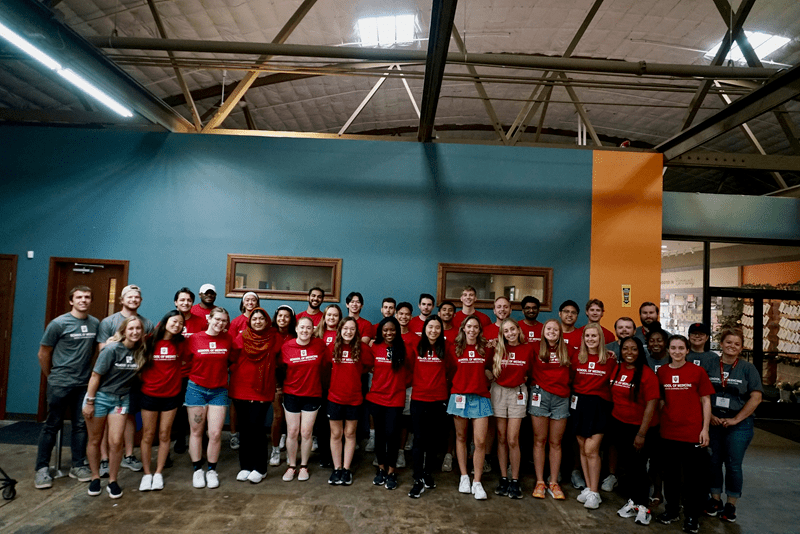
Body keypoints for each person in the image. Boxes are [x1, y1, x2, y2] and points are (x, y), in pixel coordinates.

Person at [35, 286, 98, 489]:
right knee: (52, 425)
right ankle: (42, 468)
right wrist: (51, 376)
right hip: (60, 383)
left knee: (80, 426)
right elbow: (43, 353)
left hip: (83, 385)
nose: (83, 300)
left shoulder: (95, 323)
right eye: (79, 297)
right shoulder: (58, 324)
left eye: (87, 297)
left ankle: (77, 465)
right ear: (71, 301)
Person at [703, 327, 763, 523]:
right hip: (712, 421)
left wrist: (737, 419)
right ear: (721, 344)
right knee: (713, 462)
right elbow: (699, 392)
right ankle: (715, 500)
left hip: (739, 424)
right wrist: (709, 415)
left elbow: (756, 397)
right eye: (728, 342)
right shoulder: (709, 364)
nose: (732, 346)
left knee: (733, 465)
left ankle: (731, 504)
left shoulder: (748, 368)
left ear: (741, 347)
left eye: (737, 344)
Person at [656, 335, 713, 534]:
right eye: (673, 348)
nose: (677, 352)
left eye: (681, 348)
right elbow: (660, 400)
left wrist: (705, 429)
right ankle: (671, 510)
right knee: (670, 476)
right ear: (668, 350)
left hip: (692, 433)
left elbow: (706, 401)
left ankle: (691, 516)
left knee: (692, 479)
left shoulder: (697, 372)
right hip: (668, 432)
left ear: (687, 350)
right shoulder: (662, 372)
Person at [83, 316, 145, 498]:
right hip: (100, 397)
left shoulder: (140, 351)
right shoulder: (111, 349)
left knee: (116, 442)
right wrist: (90, 401)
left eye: (138, 329)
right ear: (124, 331)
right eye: (131, 328)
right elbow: (95, 376)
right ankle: (95, 478)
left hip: (121, 400)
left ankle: (112, 480)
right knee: (95, 439)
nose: (135, 332)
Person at [97, 284, 154, 474]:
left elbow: (146, 352)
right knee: (107, 419)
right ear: (121, 300)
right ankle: (104, 459)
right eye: (129, 297)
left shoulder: (147, 323)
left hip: (133, 380)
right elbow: (102, 350)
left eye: (137, 297)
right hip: (110, 382)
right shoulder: (108, 322)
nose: (133, 300)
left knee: (129, 416)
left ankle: (128, 455)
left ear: (141, 301)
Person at [185, 307, 237, 489]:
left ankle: (212, 470)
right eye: (217, 319)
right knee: (196, 431)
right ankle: (197, 469)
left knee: (215, 433)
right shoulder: (194, 338)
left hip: (219, 391)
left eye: (224, 321)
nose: (220, 323)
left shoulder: (228, 339)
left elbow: (233, 360)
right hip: (196, 389)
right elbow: (184, 359)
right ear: (209, 319)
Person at [610, 336, 659, 526]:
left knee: (639, 468)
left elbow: (651, 405)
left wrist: (641, 434)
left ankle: (644, 507)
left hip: (641, 429)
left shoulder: (647, 374)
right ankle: (634, 503)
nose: (629, 353)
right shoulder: (617, 369)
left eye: (634, 349)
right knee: (629, 467)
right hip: (620, 424)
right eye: (625, 349)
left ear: (640, 352)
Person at [137, 311, 186, 492]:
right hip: (149, 394)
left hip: (171, 395)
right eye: (174, 321)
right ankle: (147, 473)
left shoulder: (180, 343)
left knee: (165, 435)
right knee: (148, 435)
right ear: (165, 322)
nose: (177, 325)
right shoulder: (149, 340)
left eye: (181, 323)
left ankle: (158, 473)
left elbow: (185, 361)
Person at [230, 308, 278, 484]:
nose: (257, 321)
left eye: (261, 318)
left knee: (256, 428)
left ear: (267, 321)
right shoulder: (241, 337)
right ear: (249, 321)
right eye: (254, 318)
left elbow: (281, 360)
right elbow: (232, 358)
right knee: (245, 429)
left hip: (262, 389)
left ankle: (260, 468)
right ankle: (245, 466)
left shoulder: (274, 338)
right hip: (240, 387)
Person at [571, 322, 617, 510]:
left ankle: (595, 491)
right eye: (587, 336)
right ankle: (590, 489)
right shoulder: (577, 357)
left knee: (592, 450)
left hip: (599, 406)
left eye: (594, 336)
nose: (591, 339)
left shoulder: (610, 358)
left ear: (601, 338)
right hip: (579, 404)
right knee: (582, 448)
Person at [449, 315, 493, 500]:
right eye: (469, 326)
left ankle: (477, 481)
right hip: (459, 396)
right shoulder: (454, 348)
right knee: (460, 437)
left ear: (479, 330)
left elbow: (491, 369)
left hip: (481, 397)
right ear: (463, 329)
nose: (472, 330)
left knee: (480, 441)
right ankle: (464, 477)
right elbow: (450, 371)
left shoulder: (486, 349)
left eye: (476, 327)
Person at [487, 318, 532, 499]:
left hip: (518, 393)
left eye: (512, 329)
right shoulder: (496, 348)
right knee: (501, 437)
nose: (510, 333)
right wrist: (492, 378)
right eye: (506, 331)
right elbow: (485, 367)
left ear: (518, 330)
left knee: (513, 438)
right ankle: (504, 477)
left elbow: (533, 371)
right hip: (499, 391)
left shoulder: (528, 348)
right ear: (502, 334)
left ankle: (515, 479)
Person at [278, 316, 327, 482]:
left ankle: (304, 466)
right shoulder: (287, 346)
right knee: (292, 431)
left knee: (306, 432)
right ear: (296, 329)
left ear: (313, 330)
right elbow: (280, 369)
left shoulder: (320, 345)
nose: (305, 330)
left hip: (312, 394)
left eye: (308, 328)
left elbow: (327, 366)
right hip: (291, 394)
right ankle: (291, 466)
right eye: (302, 327)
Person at [406, 315, 450, 498]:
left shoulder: (446, 349)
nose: (433, 330)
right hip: (418, 398)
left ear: (441, 330)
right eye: (430, 327)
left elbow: (451, 370)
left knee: (433, 439)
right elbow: (408, 369)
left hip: (438, 399)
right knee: (419, 438)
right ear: (425, 328)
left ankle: (427, 473)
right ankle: (417, 476)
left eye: (437, 328)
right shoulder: (416, 346)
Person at [324, 317, 371, 486]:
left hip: (354, 398)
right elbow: (326, 368)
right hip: (335, 398)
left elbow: (367, 367)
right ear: (340, 330)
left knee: (350, 434)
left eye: (352, 329)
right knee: (336, 434)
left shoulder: (363, 349)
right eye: (345, 329)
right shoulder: (332, 347)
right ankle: (336, 469)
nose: (348, 332)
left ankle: (346, 469)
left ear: (356, 331)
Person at [364, 316, 407, 491]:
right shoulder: (374, 347)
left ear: (397, 331)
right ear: (381, 331)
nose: (389, 333)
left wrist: (400, 385)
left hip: (395, 399)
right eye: (385, 330)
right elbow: (367, 366)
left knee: (392, 435)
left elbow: (410, 371)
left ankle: (392, 471)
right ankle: (381, 469)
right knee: (380, 436)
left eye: (392, 330)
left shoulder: (405, 348)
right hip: (376, 398)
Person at [529, 319, 571, 501]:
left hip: (561, 398)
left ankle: (553, 481)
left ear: (560, 332)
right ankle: (540, 481)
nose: (552, 331)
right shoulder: (535, 348)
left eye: (556, 329)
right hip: (540, 395)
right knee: (540, 440)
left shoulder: (568, 350)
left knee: (556, 442)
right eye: (549, 328)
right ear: (543, 330)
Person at [172, 287, 206, 455]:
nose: (185, 303)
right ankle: (180, 438)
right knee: (178, 409)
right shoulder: (169, 320)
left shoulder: (200, 321)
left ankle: (202, 437)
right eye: (182, 300)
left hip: (195, 373)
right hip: (174, 374)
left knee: (197, 408)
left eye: (188, 300)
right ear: (176, 302)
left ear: (193, 303)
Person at [228, 292, 260, 451]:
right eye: (247, 299)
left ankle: (251, 435)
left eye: (253, 299)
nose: (250, 302)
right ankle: (234, 434)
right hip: (239, 371)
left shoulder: (262, 321)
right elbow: (230, 346)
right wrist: (233, 366)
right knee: (236, 403)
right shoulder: (236, 322)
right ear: (242, 302)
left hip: (256, 372)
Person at [269, 305, 297, 467]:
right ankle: (275, 450)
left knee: (292, 420)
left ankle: (289, 446)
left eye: (286, 316)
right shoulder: (270, 334)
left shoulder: (295, 335)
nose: (282, 319)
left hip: (294, 381)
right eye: (280, 316)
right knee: (278, 416)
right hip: (275, 380)